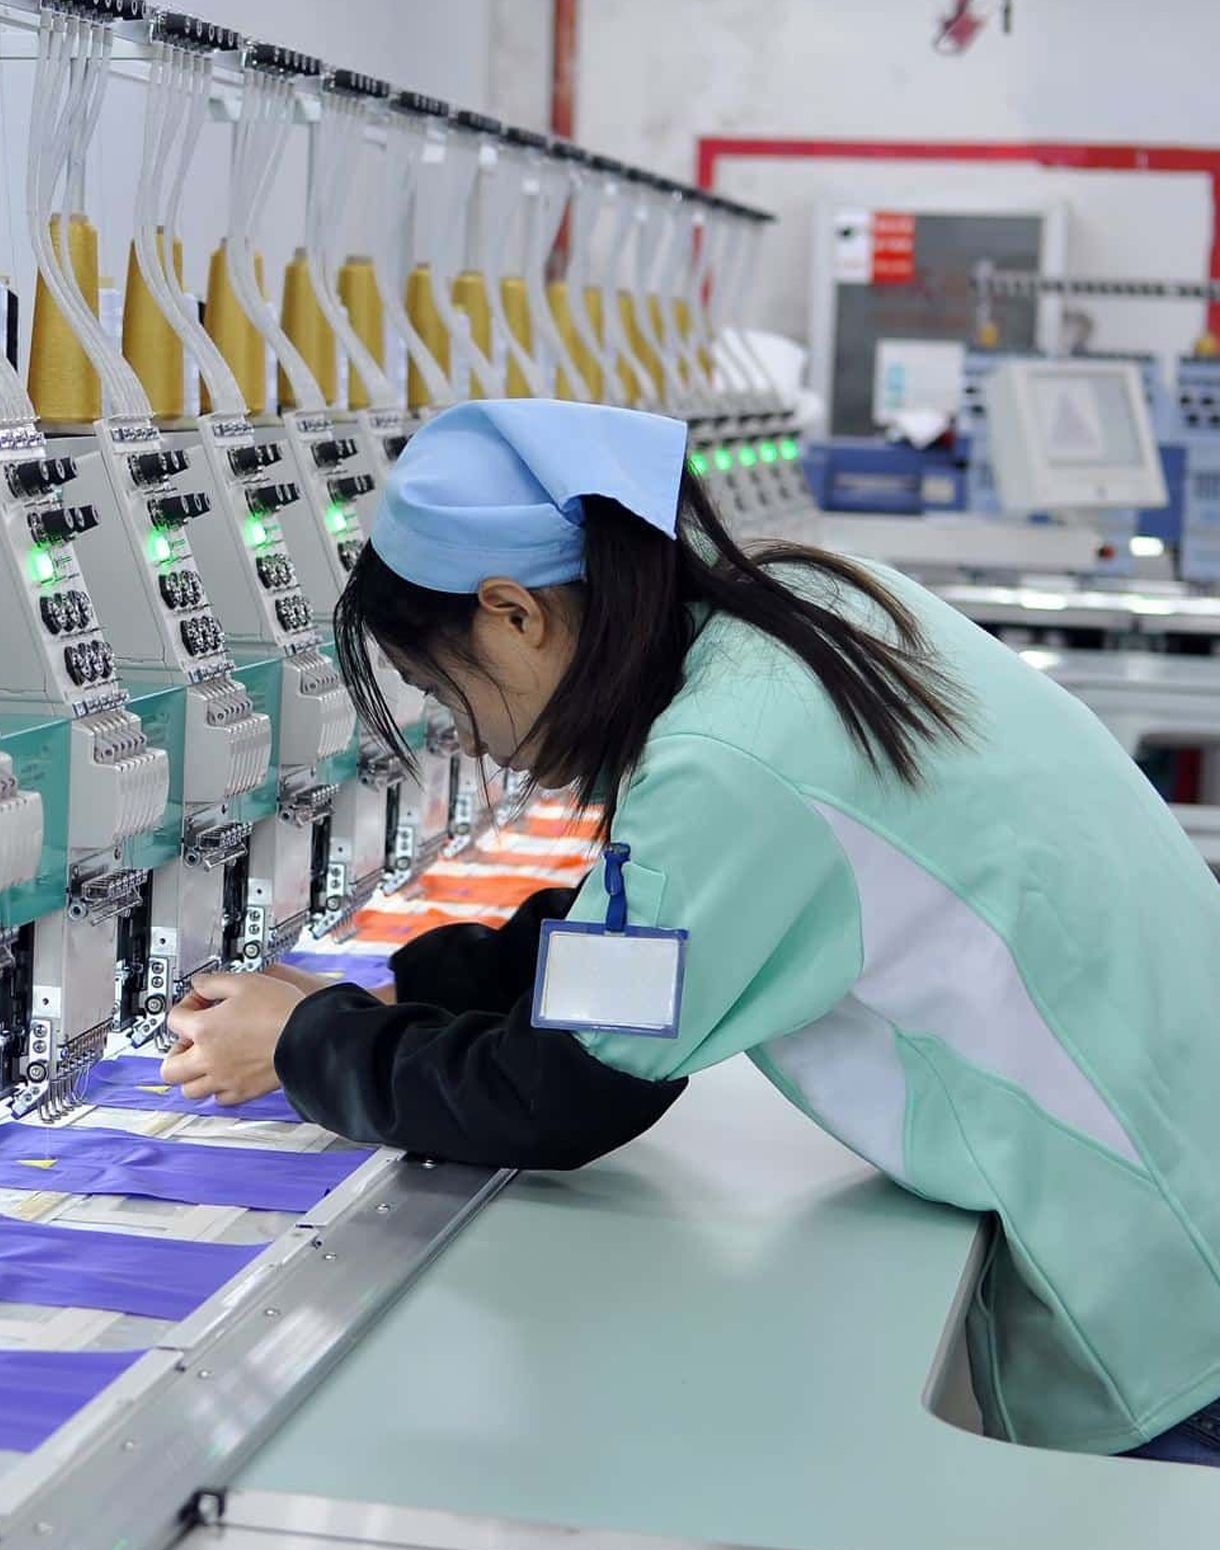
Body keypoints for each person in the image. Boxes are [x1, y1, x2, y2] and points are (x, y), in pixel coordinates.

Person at [165, 398, 1220, 1466]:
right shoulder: (801, 609)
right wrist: (399, 998)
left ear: (513, 613)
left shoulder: (726, 760)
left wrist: (304, 1048)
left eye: (443, 688)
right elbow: (658, 921)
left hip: (1165, 1291)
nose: (467, 738)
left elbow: (558, 1093)